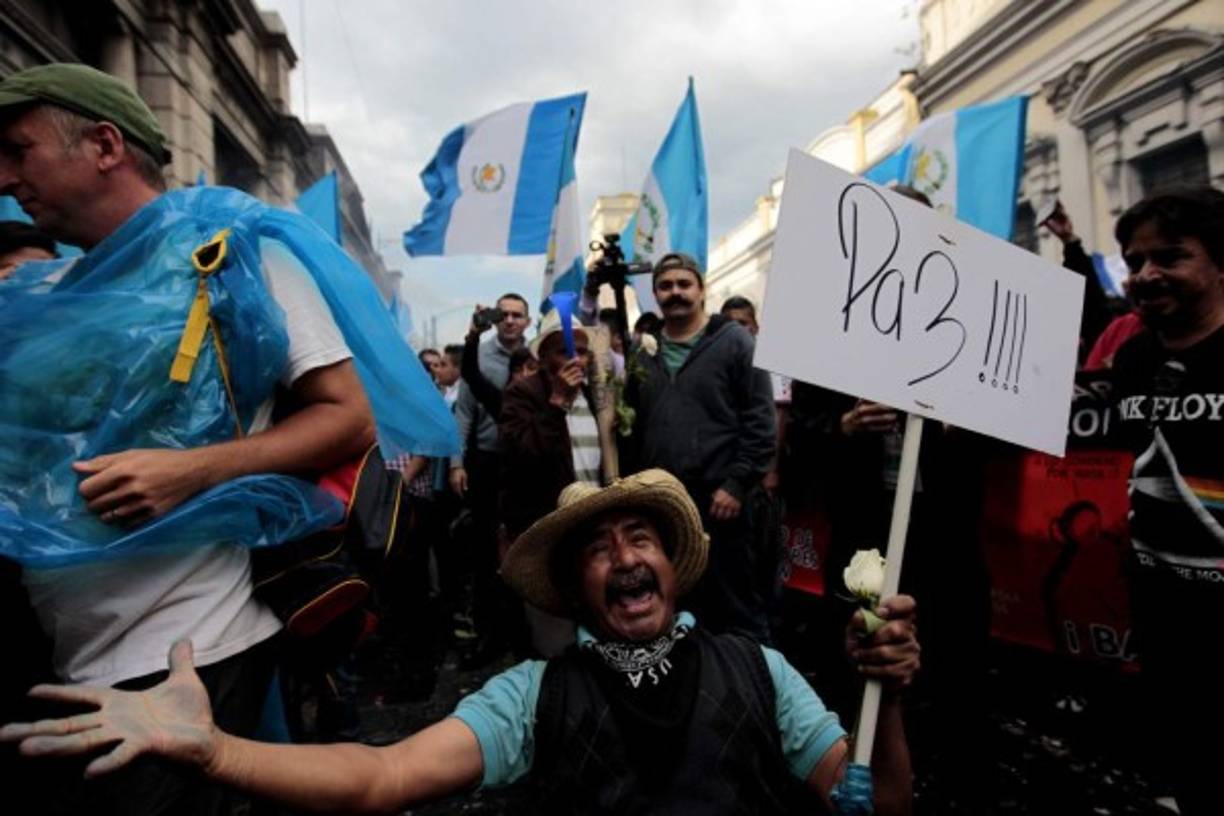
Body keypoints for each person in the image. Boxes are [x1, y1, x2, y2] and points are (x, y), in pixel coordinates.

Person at [0, 63, 452, 815]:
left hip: (189, 650)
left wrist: (189, 471)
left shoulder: (234, 256)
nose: (8, 178)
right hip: (64, 646)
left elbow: (346, 415)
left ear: (105, 145)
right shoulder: (49, 295)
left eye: (21, 150)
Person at [2, 469, 920, 815]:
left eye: (640, 539)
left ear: (672, 566)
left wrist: (894, 700)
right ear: (573, 590)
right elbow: (380, 779)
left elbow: (877, 804)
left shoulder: (757, 669)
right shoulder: (531, 696)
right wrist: (214, 751)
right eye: (599, 550)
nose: (625, 558)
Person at [1108, 186, 1224, 816]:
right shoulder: (1131, 360)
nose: (1147, 275)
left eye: (1171, 256)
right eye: (1134, 262)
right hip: (1163, 615)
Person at [621, 253, 776, 643]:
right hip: (665, 506)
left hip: (722, 503)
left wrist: (738, 483)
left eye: (683, 284)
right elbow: (632, 427)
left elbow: (761, 420)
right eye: (666, 285)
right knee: (680, 607)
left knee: (736, 607)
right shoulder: (643, 353)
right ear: (655, 293)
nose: (675, 293)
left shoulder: (736, 343)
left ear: (702, 290)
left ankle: (760, 686)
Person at [450, 294, 531, 663]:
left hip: (525, 469)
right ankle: (489, 635)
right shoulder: (480, 360)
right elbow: (465, 411)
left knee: (525, 548)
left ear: (528, 322)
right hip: (485, 465)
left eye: (518, 315)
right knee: (484, 553)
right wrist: (457, 463)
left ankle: (524, 633)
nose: (511, 320)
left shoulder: (539, 356)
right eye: (505, 314)